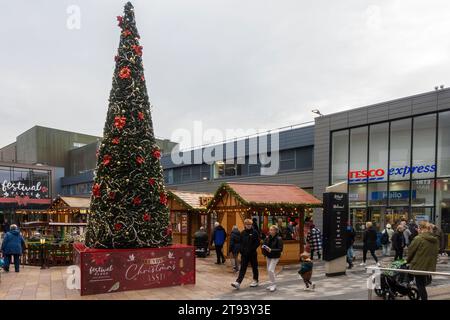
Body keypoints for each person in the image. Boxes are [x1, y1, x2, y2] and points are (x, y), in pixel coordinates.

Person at [407, 222, 439, 300]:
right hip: (429, 265)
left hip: (418, 265)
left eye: (419, 228)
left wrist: (408, 260)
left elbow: (411, 251)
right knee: (422, 284)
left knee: (420, 285)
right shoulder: (435, 239)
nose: (418, 230)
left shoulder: (418, 238)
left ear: (422, 229)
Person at [231, 219, 260, 290]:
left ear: (251, 225)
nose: (248, 226)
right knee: (242, 268)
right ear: (245, 225)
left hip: (252, 253)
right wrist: (241, 250)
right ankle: (238, 282)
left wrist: (251, 249)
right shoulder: (242, 233)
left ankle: (255, 280)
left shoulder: (255, 232)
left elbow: (257, 243)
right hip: (244, 254)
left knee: (254, 267)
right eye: (247, 224)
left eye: (250, 224)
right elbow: (240, 243)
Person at [262, 225, 283, 292]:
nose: (270, 231)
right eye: (270, 229)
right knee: (268, 270)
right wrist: (264, 251)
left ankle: (273, 285)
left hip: (275, 256)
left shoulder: (279, 238)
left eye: (272, 230)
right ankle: (271, 284)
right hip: (268, 256)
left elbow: (280, 249)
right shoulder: (267, 238)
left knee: (271, 270)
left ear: (276, 231)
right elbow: (264, 245)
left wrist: (271, 250)